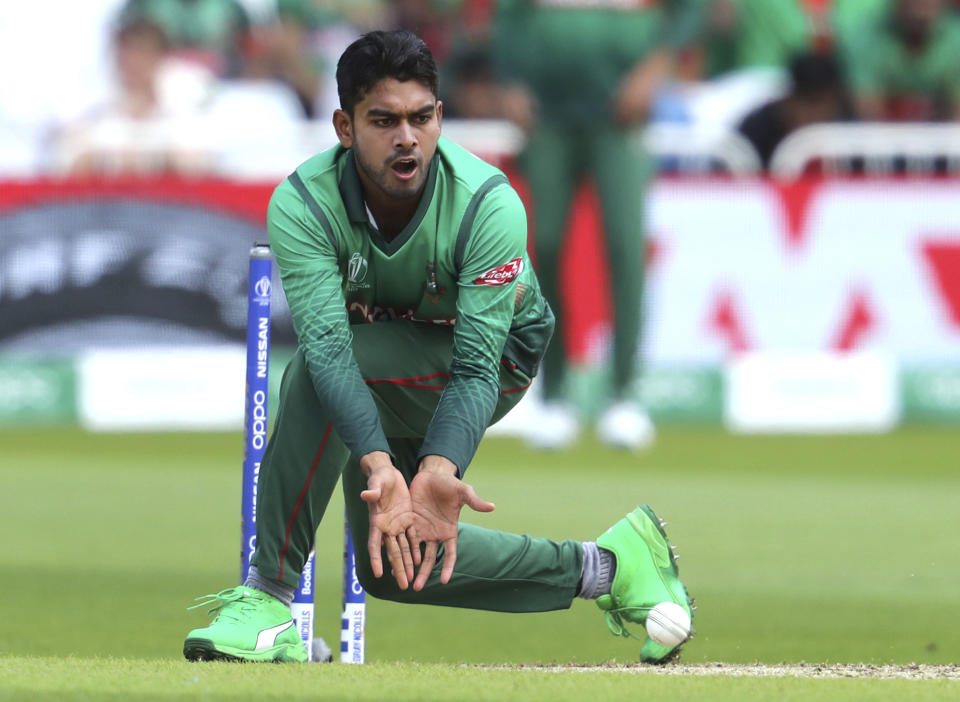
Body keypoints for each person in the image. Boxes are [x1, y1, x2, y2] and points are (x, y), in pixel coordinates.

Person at [182, 30, 693, 665]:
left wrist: (436, 469)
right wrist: (381, 470)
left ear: (440, 118)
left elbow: (479, 366)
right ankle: (613, 567)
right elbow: (331, 348)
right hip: (378, 362)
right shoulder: (304, 204)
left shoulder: (487, 204)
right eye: (384, 120)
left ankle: (267, 601)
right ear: (344, 127)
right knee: (393, 564)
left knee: (317, 379)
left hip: (494, 359)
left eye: (422, 118)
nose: (407, 138)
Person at [492, 1, 706, 450]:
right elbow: (507, 14)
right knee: (545, 245)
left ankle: (624, 395)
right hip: (547, 112)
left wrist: (655, 67)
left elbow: (690, 10)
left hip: (621, 114)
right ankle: (554, 394)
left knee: (626, 248)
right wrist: (509, 80)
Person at [737, 51, 850, 169]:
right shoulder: (756, 133)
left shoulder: (855, 139)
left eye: (817, 103)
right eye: (805, 102)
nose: (811, 114)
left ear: (836, 103)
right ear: (787, 100)